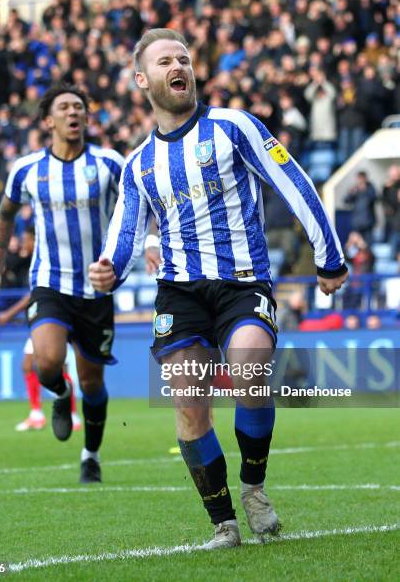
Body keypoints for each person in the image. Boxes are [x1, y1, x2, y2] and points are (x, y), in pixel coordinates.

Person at [90, 29, 348, 548]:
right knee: (188, 402)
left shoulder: (234, 127)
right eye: (165, 60)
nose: (178, 65)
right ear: (143, 79)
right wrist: (109, 268)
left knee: (251, 364)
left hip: (241, 281)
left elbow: (293, 181)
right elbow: (125, 228)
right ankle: (223, 523)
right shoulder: (139, 162)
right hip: (180, 293)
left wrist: (329, 256)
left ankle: (254, 489)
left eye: (183, 58)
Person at [0, 83, 124, 484]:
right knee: (45, 361)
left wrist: (146, 243)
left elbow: (138, 204)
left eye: (79, 107)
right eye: (64, 107)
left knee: (93, 381)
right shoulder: (27, 169)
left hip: (97, 287)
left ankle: (91, 455)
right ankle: (61, 396)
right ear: (49, 120)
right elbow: (4, 216)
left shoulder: (109, 163)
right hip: (49, 282)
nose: (73, 112)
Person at [0, 293, 82, 432]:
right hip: (44, 318)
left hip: (56, 318)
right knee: (28, 366)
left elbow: (30, 296)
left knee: (61, 369)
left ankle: (72, 415)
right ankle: (37, 415)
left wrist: (9, 314)